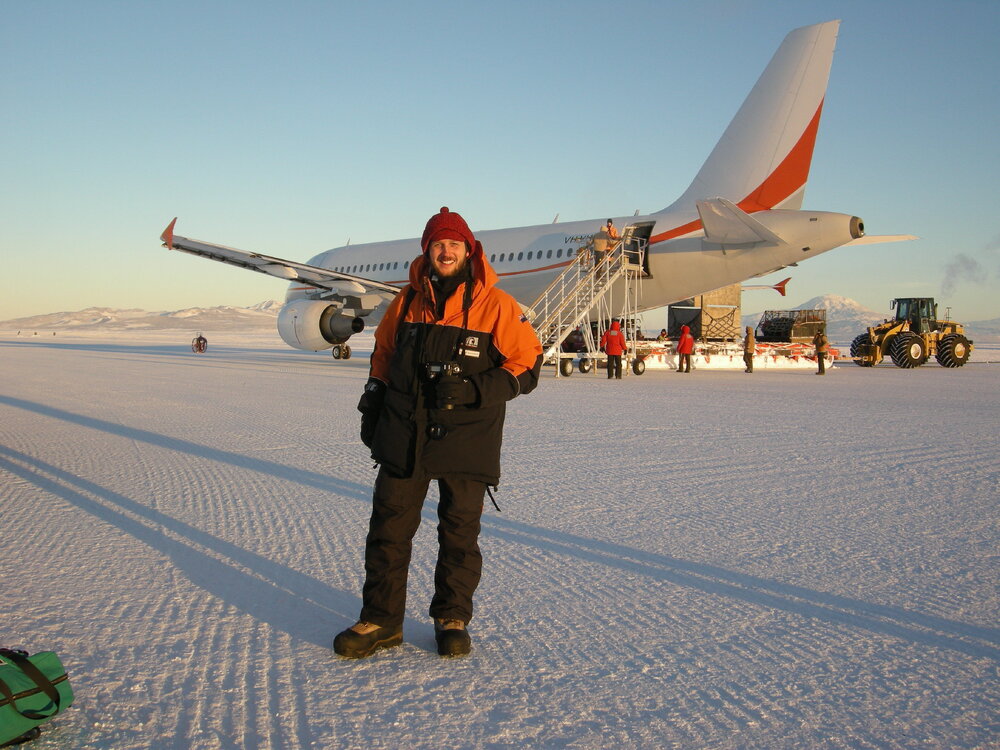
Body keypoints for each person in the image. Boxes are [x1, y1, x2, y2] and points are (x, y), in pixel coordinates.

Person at [334, 207, 543, 660]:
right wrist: (373, 402)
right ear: (427, 251)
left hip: (468, 439)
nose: (445, 251)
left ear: (469, 251)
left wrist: (472, 388)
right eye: (437, 244)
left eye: (454, 245)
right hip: (404, 436)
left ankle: (452, 618)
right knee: (388, 529)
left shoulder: (498, 305)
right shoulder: (406, 301)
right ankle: (381, 620)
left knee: (459, 533)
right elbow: (384, 355)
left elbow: (527, 365)